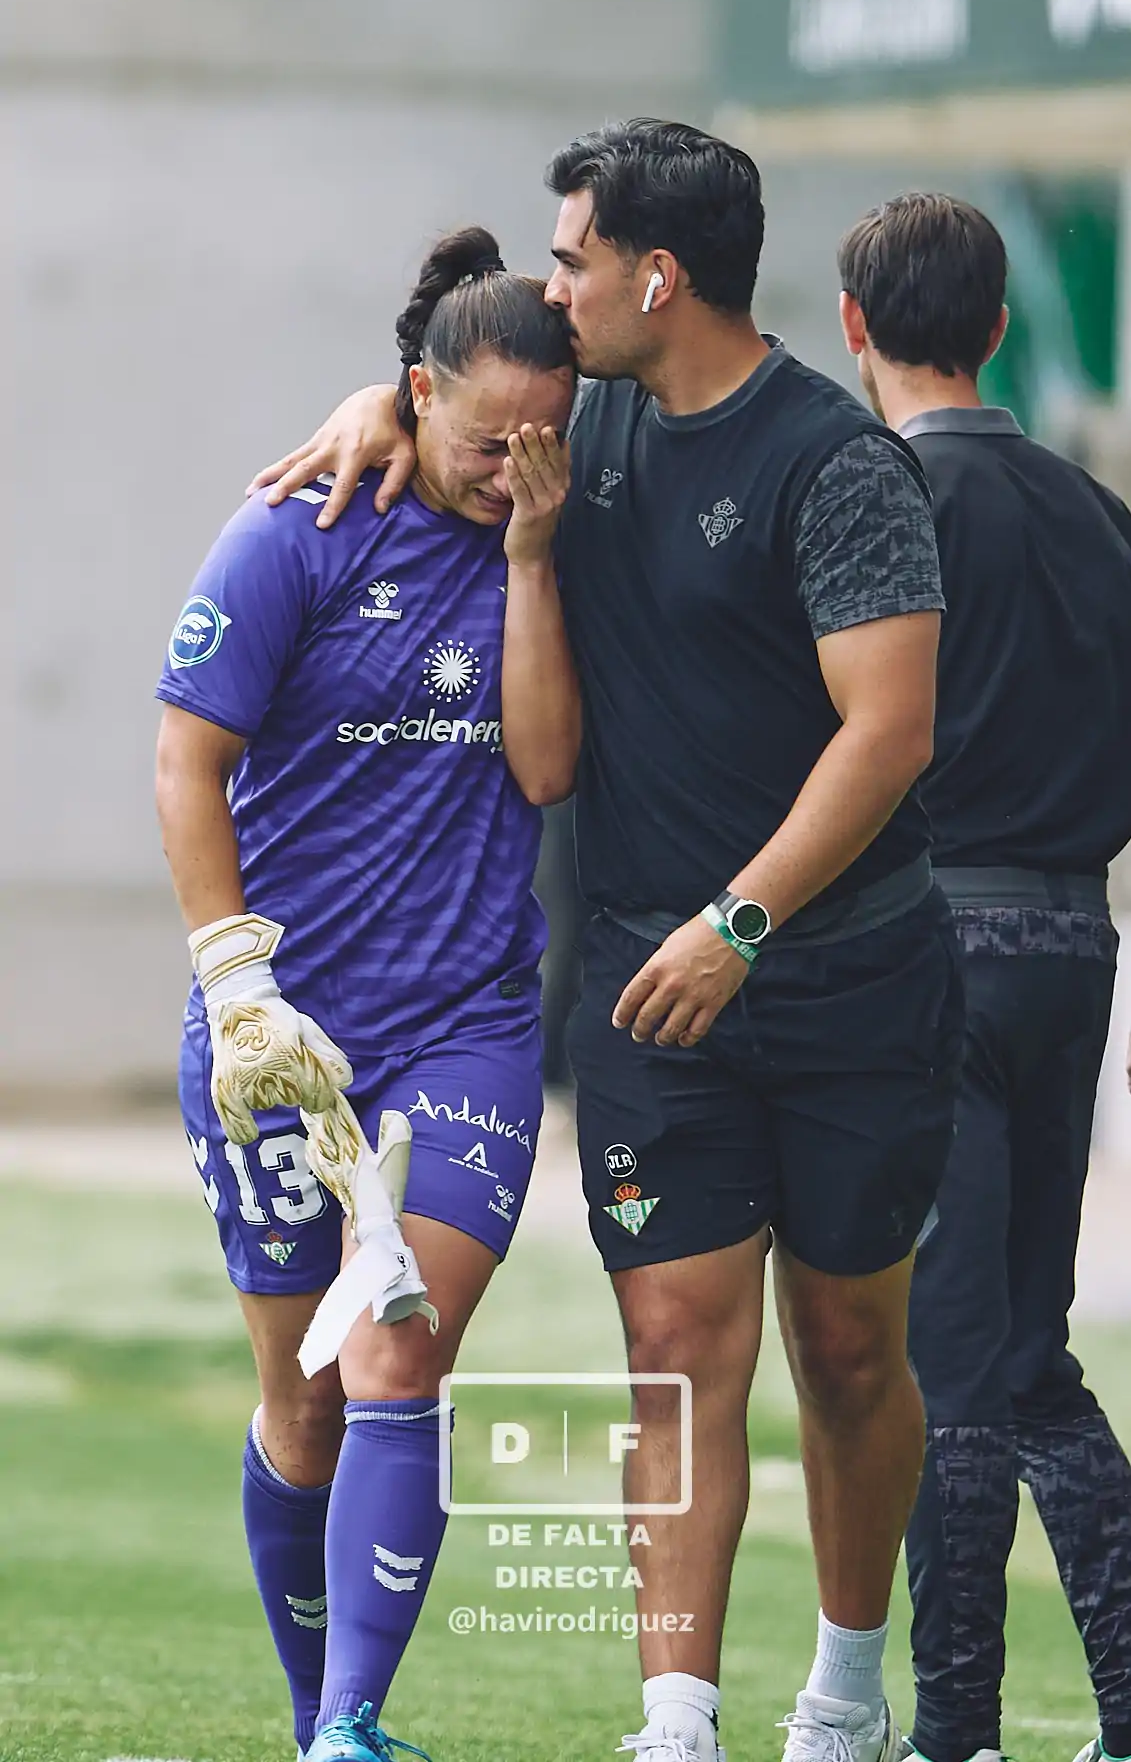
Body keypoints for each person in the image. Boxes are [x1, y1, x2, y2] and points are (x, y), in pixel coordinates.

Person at [249, 118, 966, 1762]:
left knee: (852, 1353)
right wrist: (383, 400)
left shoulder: (836, 464)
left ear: (657, 274)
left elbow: (888, 732)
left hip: (845, 977)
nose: (550, 285)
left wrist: (743, 922)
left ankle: (845, 1697)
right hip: (652, 990)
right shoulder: (581, 433)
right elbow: (453, 418)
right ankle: (676, 1722)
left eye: (570, 258)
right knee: (671, 1344)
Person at [155, 227, 577, 1762]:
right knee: (305, 1404)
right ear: (413, 397)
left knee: (393, 1342)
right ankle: (306, 1711)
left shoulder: (555, 529)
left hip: (465, 1020)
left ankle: (352, 1726)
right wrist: (234, 980)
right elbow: (184, 761)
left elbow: (544, 770)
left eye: (540, 441)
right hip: (280, 1033)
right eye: (481, 441)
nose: (507, 468)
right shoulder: (298, 527)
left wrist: (530, 554)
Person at [837, 192, 1131, 1762]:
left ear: (852, 326)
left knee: (942, 1365)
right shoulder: (1099, 519)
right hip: (1072, 945)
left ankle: (951, 1732)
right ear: (1001, 327)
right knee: (1025, 1355)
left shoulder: (873, 503)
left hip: (922, 953)